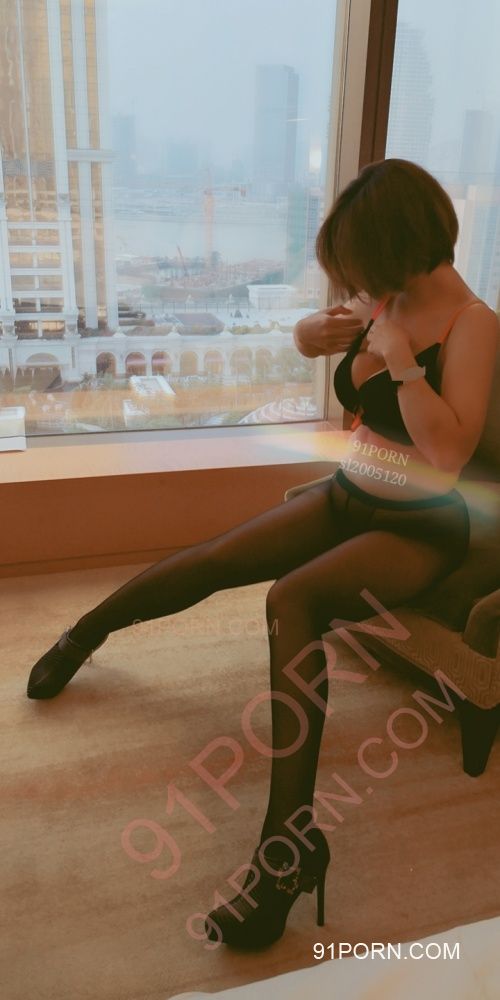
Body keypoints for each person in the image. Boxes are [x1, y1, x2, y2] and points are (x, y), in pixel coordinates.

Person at [26, 159, 498, 949]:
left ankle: (288, 850)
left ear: (400, 244)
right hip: (349, 494)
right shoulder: (391, 296)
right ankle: (86, 634)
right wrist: (316, 334)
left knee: (293, 598)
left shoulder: (474, 324)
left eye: (364, 268)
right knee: (217, 558)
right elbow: (325, 348)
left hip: (419, 526)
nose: (361, 286)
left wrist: (402, 365)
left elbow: (449, 454)